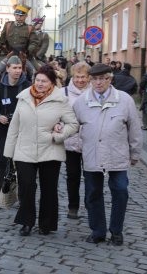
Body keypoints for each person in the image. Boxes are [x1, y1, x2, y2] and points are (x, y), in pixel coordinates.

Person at [3, 64, 78, 236]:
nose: (40, 84)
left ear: (52, 83)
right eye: (37, 80)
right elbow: (14, 126)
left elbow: (73, 124)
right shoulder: (23, 98)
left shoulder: (60, 100)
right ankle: (26, 222)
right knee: (27, 187)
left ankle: (47, 223)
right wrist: (8, 154)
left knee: (49, 189)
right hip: (24, 150)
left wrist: (58, 135)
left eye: (44, 81)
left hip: (50, 149)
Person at [72, 63, 142, 245]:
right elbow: (73, 127)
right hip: (91, 155)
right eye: (94, 79)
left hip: (117, 154)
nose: (98, 82)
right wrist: (78, 145)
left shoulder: (124, 100)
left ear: (110, 79)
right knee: (92, 193)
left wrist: (135, 153)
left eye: (102, 78)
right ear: (90, 80)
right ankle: (98, 231)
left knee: (120, 191)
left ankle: (116, 231)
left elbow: (134, 128)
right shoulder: (81, 102)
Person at [0, 56, 31, 210]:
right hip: (4, 130)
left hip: (23, 131)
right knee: (1, 161)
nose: (17, 71)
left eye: (20, 68)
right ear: (7, 69)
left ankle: (22, 197)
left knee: (23, 165)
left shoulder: (28, 86)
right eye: (14, 68)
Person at [60, 61, 91, 220]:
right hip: (70, 142)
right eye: (78, 77)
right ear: (73, 76)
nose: (80, 80)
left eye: (83, 77)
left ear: (88, 77)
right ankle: (73, 206)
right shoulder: (63, 92)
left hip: (90, 142)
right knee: (72, 175)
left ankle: (90, 204)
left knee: (91, 175)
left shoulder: (95, 91)